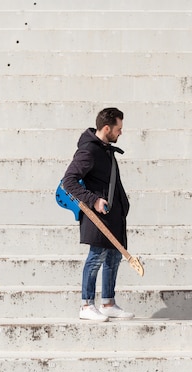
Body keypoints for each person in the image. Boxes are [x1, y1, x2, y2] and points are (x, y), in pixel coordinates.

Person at [61, 107, 134, 322]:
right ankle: (86, 305)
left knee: (114, 256)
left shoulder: (105, 149)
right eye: (118, 129)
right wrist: (93, 200)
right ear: (106, 128)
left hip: (113, 215)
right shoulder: (89, 151)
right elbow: (69, 181)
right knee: (96, 258)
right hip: (98, 216)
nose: (121, 133)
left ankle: (108, 303)